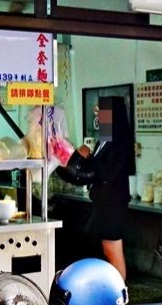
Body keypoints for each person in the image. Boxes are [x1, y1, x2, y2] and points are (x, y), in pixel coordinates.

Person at [55, 96, 135, 280]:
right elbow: (94, 171)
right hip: (102, 202)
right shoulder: (105, 139)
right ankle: (113, 289)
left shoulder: (122, 140)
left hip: (114, 204)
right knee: (106, 251)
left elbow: (109, 173)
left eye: (102, 112)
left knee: (113, 251)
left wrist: (88, 157)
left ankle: (120, 292)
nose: (98, 116)